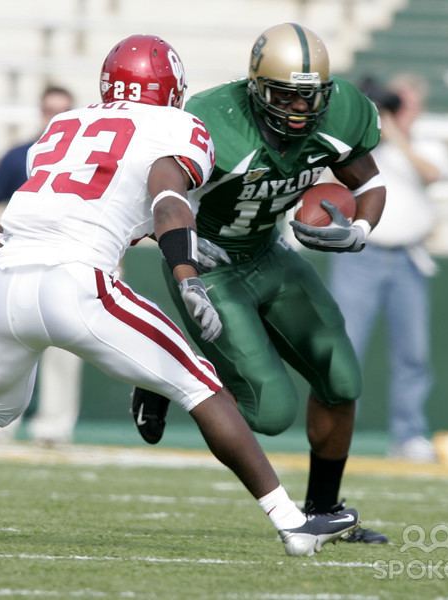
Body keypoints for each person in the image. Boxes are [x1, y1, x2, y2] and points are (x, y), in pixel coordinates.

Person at [0, 34, 360, 557]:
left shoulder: (61, 128)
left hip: (7, 278)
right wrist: (185, 273)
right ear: (172, 87)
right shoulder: (178, 126)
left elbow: (11, 225)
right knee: (203, 385)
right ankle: (294, 524)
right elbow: (167, 193)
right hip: (76, 281)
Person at [130, 23, 388, 543]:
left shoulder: (341, 113)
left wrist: (359, 229)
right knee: (269, 412)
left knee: (341, 379)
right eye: (285, 96)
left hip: (270, 251)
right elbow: (159, 195)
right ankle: (167, 375)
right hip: (211, 264)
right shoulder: (212, 121)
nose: (298, 110)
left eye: (309, 97)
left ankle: (325, 511)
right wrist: (182, 260)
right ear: (255, 86)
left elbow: (371, 182)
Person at [329, 74, 448, 462]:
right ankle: (337, 431)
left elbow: (430, 173)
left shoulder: (427, 143)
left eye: (406, 101)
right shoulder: (366, 142)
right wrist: (373, 121)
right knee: (346, 346)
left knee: (412, 353)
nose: (399, 107)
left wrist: (397, 132)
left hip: (407, 259)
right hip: (361, 255)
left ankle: (409, 433)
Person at [0, 85, 82, 445]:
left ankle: (55, 426)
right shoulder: (20, 154)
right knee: (11, 344)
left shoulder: (87, 155)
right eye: (50, 110)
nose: (54, 118)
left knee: (65, 350)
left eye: (62, 110)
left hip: (69, 262)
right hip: (19, 263)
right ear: (40, 111)